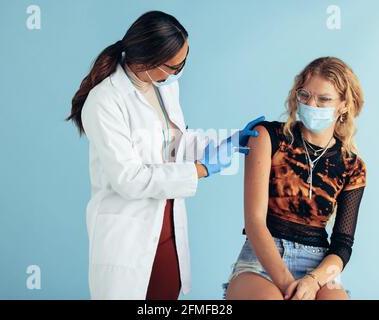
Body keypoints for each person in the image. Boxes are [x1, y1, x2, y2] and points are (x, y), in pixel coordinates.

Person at [66, 11, 264, 299]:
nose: (179, 71)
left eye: (184, 61)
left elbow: (174, 142)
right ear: (147, 60)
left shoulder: (165, 87)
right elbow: (129, 179)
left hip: (168, 225)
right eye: (173, 66)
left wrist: (224, 143)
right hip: (129, 233)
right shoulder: (104, 101)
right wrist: (200, 169)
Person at [223, 57, 366, 300]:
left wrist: (313, 281)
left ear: (344, 105)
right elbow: (255, 222)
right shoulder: (268, 136)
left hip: (318, 268)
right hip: (262, 261)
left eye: (324, 99)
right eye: (305, 95)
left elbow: (342, 245)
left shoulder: (352, 166)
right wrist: (290, 286)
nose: (312, 104)